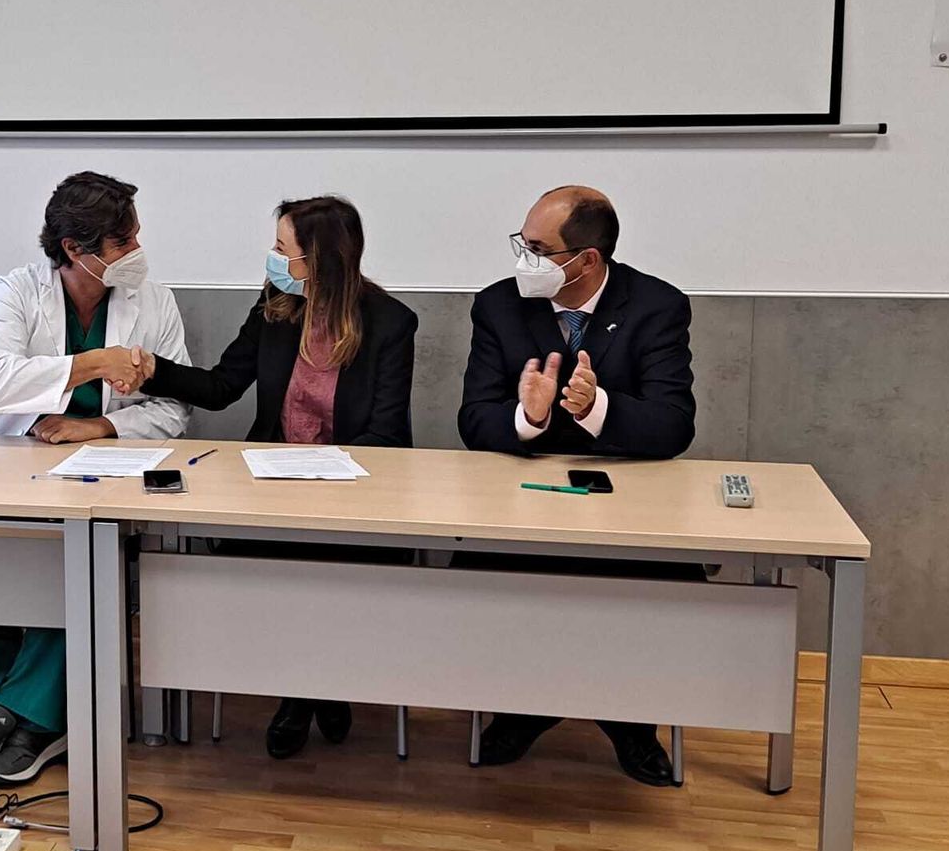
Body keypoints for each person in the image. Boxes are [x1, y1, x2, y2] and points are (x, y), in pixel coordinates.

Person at [119, 195, 418, 760]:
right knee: (269, 567)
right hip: (270, 494)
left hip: (353, 497)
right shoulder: (275, 308)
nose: (273, 258)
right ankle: (311, 690)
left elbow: (387, 437)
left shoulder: (390, 323)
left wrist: (321, 478)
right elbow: (221, 386)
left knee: (325, 572)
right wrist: (153, 371)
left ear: (320, 260)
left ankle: (308, 691)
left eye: (283, 249)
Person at [0, 171, 192, 795]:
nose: (137, 250)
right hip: (14, 466)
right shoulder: (14, 292)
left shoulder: (154, 301)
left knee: (80, 563)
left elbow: (174, 408)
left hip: (108, 476)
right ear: (75, 249)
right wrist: (94, 364)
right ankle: (35, 714)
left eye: (136, 235)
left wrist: (100, 425)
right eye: (123, 242)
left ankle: (10, 717)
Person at [457, 184, 695, 786]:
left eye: (539, 249)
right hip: (523, 494)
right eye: (522, 243)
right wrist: (529, 418)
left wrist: (595, 408)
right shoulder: (498, 305)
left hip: (626, 496)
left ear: (587, 259)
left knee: (649, 581)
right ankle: (523, 707)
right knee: (485, 571)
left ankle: (631, 720)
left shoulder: (657, 306)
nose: (524, 260)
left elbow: (673, 425)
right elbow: (474, 419)